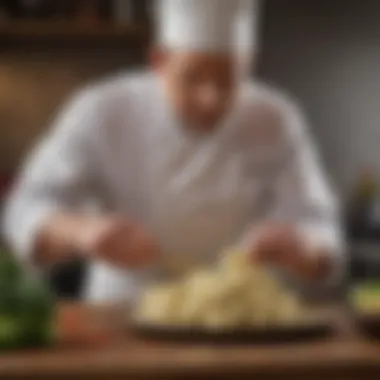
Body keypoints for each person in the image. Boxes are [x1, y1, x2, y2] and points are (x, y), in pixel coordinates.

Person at [2, 0, 344, 303]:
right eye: (193, 77)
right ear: (158, 61)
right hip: (124, 314)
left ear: (249, 63)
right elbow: (25, 208)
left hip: (239, 315)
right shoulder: (102, 110)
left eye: (229, 79)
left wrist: (303, 250)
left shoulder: (275, 118)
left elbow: (320, 229)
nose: (212, 99)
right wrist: (84, 233)